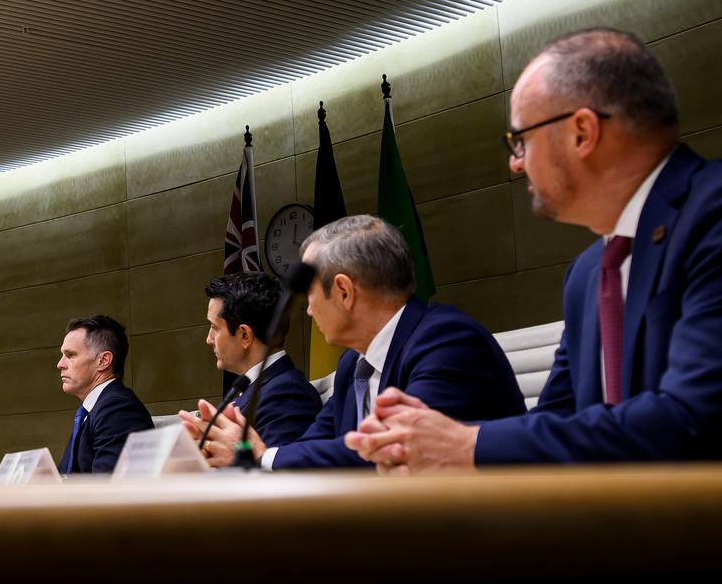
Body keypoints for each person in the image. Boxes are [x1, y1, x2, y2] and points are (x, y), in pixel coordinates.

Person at [347, 28, 722, 474]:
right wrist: (427, 442)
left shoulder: (711, 215)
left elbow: (695, 419)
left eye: (521, 140)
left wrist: (469, 444)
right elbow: (556, 422)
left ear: (582, 133)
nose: (515, 162)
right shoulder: (587, 274)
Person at [198, 216, 524, 469]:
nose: (308, 310)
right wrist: (247, 450)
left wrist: (262, 455)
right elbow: (313, 445)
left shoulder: (446, 341)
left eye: (310, 295)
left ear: (344, 291)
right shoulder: (352, 365)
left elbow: (390, 449)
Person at [178, 272, 322, 459]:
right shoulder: (253, 388)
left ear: (244, 335)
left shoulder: (288, 394)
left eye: (214, 327)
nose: (209, 339)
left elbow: (279, 469)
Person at [56, 315, 153, 474]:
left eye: (71, 355)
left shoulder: (117, 408)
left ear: (103, 361)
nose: (60, 364)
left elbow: (106, 484)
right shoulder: (93, 410)